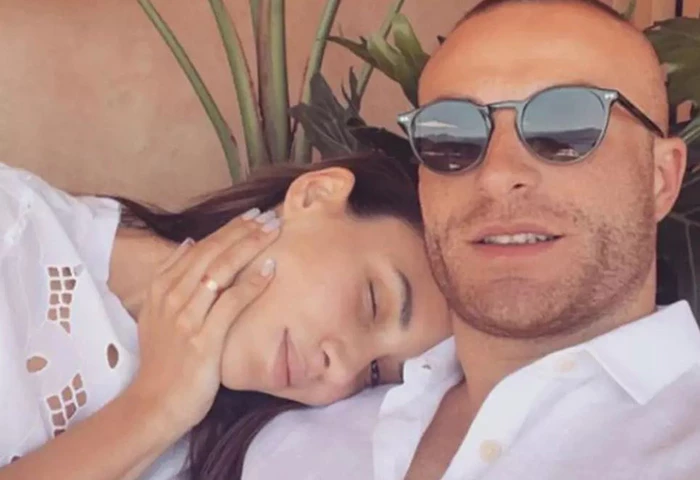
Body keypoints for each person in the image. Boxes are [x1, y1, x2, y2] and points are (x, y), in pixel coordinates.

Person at [242, 0, 700, 479]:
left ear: (660, 178)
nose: (497, 174)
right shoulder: (289, 442)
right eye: (452, 137)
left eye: (566, 127)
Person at [0, 152, 452, 480]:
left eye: (374, 375)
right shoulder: (18, 233)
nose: (340, 373)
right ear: (315, 194)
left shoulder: (249, 456)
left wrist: (161, 411)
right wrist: (153, 407)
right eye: (372, 303)